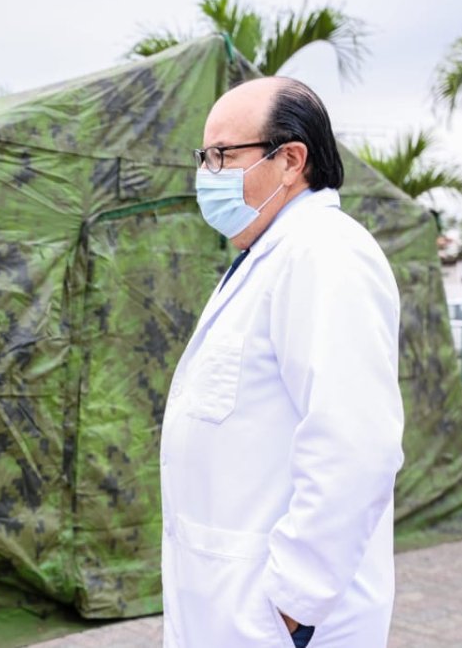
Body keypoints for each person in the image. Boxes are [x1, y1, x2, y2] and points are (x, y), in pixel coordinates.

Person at [159, 77, 404, 648]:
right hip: (233, 608)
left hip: (282, 623)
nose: (207, 172)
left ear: (291, 160)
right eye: (204, 156)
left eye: (221, 155)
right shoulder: (265, 256)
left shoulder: (326, 254)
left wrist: (294, 606)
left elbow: (355, 446)